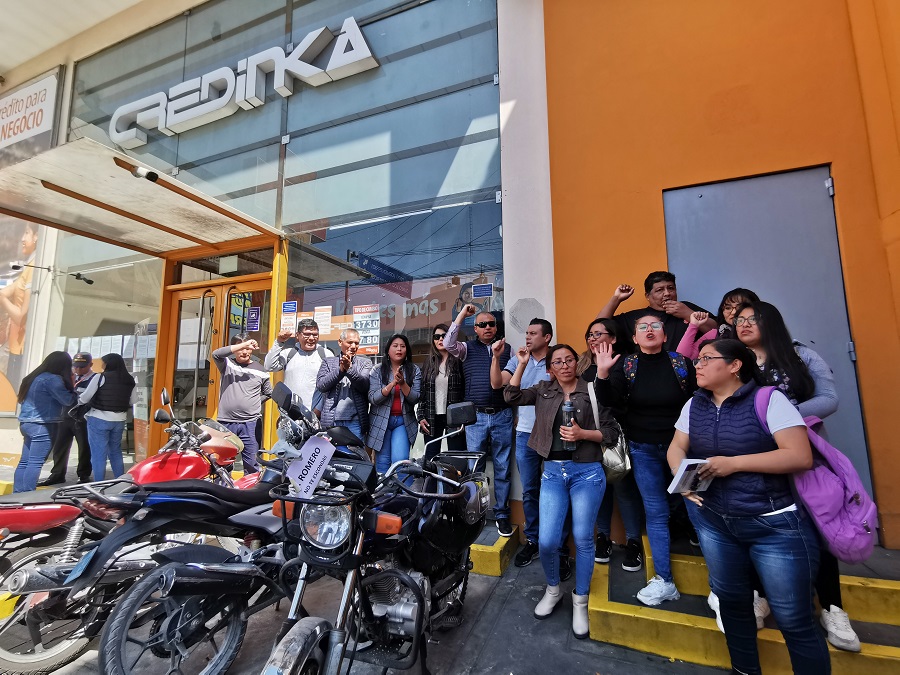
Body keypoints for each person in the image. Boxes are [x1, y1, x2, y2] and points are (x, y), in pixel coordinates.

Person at [668, 339, 830, 675]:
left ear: (734, 365)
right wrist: (681, 479)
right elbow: (676, 447)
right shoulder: (694, 404)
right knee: (732, 604)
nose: (696, 364)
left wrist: (735, 464)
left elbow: (798, 455)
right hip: (715, 523)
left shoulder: (768, 399)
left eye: (706, 358)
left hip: (774, 525)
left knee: (793, 618)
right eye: (697, 360)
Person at [734, 300, 857, 651]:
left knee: (818, 528)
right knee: (760, 525)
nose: (743, 325)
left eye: (752, 319)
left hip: (806, 456)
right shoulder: (736, 362)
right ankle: (759, 597)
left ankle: (832, 607)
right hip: (756, 456)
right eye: (739, 320)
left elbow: (829, 399)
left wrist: (781, 416)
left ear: (770, 322)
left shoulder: (800, 355)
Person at [504, 344, 619, 639]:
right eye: (558, 361)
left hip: (588, 472)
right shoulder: (543, 389)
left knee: (582, 538)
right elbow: (511, 395)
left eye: (569, 360)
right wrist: (520, 364)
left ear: (576, 364)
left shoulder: (592, 390)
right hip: (553, 472)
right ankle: (553, 590)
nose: (565, 365)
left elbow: (609, 433)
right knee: (547, 540)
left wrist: (582, 434)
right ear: (551, 368)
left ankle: (580, 601)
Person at [594, 315, 696, 606]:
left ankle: (720, 585)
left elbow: (696, 400)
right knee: (656, 512)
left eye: (655, 327)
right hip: (643, 449)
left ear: (665, 336)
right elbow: (610, 400)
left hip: (685, 449)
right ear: (635, 338)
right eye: (642, 327)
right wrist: (602, 374)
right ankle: (664, 580)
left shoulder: (681, 363)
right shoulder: (627, 364)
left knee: (698, 511)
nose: (649, 330)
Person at [490, 319, 563, 571]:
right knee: (530, 490)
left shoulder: (558, 360)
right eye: (527, 333)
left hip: (554, 435)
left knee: (557, 491)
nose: (528, 337)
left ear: (547, 337)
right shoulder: (518, 359)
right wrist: (497, 358)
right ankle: (533, 539)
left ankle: (558, 547)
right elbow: (499, 385)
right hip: (524, 434)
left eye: (533, 333)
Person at [577, 319, 645, 573]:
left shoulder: (626, 362)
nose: (592, 338)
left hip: (617, 436)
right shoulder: (583, 364)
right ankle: (603, 538)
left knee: (624, 489)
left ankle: (633, 542)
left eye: (598, 334)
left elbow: (619, 400)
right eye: (589, 334)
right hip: (588, 436)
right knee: (600, 488)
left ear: (613, 338)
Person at [443, 304, 515, 537]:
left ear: (496, 327)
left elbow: (514, 381)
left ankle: (502, 514)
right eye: (482, 324)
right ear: (475, 328)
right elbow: (447, 344)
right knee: (476, 469)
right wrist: (463, 313)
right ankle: (477, 512)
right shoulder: (466, 348)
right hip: (476, 417)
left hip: (503, 414)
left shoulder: (508, 349)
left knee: (503, 469)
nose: (487, 327)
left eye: (491, 324)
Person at [596, 271, 715, 353]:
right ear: (648, 296)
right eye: (660, 290)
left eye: (671, 288)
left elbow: (716, 330)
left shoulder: (686, 307)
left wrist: (687, 314)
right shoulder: (636, 317)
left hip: (685, 370)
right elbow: (598, 326)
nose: (667, 293)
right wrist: (616, 299)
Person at [13, 351, 76, 493]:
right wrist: (72, 385)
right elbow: (67, 400)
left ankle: (17, 494)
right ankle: (28, 495)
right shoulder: (53, 379)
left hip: (26, 423)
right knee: (35, 462)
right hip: (43, 424)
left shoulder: (33, 377)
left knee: (25, 461)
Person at [212, 334, 273, 474]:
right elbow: (216, 354)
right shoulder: (227, 364)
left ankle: (248, 494)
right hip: (226, 423)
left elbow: (269, 393)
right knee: (223, 465)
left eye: (248, 348)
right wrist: (243, 345)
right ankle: (223, 492)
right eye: (241, 348)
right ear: (235, 349)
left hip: (250, 423)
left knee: (251, 465)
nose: (244, 351)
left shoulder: (261, 370)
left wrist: (254, 402)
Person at [367, 334, 421, 474]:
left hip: (403, 421)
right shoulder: (377, 370)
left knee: (401, 461)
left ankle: (405, 495)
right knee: (383, 462)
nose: (399, 349)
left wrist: (403, 383)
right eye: (395, 346)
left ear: (407, 350)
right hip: (380, 422)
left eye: (402, 346)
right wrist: (392, 384)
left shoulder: (414, 370)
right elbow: (373, 398)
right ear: (388, 350)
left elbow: (415, 398)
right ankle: (385, 495)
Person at [39, 352, 96, 486]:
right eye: (75, 366)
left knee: (84, 447)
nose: (78, 370)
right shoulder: (67, 376)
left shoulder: (95, 378)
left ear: (90, 365)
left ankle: (83, 475)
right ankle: (57, 475)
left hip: (83, 418)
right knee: (60, 447)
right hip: (64, 416)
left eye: (82, 367)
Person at [79, 353, 137, 481]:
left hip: (98, 418)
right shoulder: (129, 379)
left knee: (98, 454)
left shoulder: (100, 377)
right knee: (115, 451)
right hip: (119, 420)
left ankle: (98, 483)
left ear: (108, 364)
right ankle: (120, 481)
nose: (102, 365)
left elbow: (85, 398)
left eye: (103, 362)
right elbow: (133, 401)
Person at [264, 318, 333, 414]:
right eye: (307, 334)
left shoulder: (326, 354)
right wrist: (279, 342)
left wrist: (318, 410)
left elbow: (332, 386)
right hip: (289, 414)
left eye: (315, 334)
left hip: (314, 415)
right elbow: (269, 366)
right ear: (298, 335)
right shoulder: (289, 353)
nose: (312, 338)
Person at [417, 323, 465, 460]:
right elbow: (423, 392)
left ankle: (451, 483)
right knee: (431, 458)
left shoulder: (458, 360)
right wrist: (420, 416)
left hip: (454, 416)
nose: (440, 339)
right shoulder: (429, 362)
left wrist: (464, 418)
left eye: (444, 336)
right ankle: (431, 482)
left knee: (456, 458)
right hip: (432, 416)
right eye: (436, 337)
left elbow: (464, 390)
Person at [0, 223, 38, 391]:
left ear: (36, 237)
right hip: (15, 346)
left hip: (21, 350)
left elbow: (22, 317)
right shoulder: (29, 266)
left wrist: (2, 298)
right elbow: (8, 290)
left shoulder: (35, 267)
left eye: (27, 233)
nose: (22, 238)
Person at [317, 328, 373, 441]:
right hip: (331, 421)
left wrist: (350, 370)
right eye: (349, 342)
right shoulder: (328, 362)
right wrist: (341, 370)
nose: (353, 346)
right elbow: (321, 385)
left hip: (356, 421)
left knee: (355, 457)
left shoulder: (365, 363)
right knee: (332, 457)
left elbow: (364, 385)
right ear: (340, 342)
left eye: (356, 343)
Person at [676, 288, 760, 360]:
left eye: (740, 307)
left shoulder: (761, 332)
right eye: (727, 308)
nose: (733, 312)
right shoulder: (715, 334)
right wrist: (694, 325)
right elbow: (681, 359)